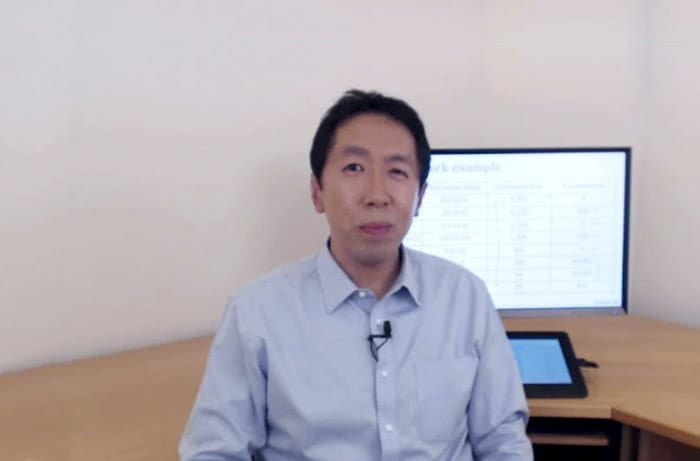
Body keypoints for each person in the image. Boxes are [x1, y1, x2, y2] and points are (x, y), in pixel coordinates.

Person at [179, 89, 532, 460]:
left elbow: (502, 440)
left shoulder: (464, 296)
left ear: (420, 197)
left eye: (397, 172)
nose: (377, 195)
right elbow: (214, 451)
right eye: (354, 168)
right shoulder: (257, 312)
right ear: (317, 192)